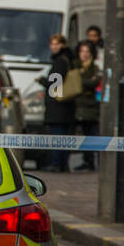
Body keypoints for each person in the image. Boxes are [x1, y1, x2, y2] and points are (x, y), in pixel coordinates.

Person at [37, 33, 76, 173]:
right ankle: (62, 163)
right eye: (52, 44)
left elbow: (55, 83)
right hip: (66, 104)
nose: (54, 47)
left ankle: (57, 163)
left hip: (58, 106)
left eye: (57, 44)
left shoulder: (60, 61)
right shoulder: (69, 59)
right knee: (64, 137)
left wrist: (42, 81)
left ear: (63, 45)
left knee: (57, 136)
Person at [74, 40, 102, 171]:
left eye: (87, 51)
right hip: (76, 107)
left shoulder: (95, 68)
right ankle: (85, 160)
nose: (84, 54)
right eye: (82, 51)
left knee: (90, 135)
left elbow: (95, 82)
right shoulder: (75, 66)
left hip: (90, 108)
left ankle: (90, 162)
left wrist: (79, 81)